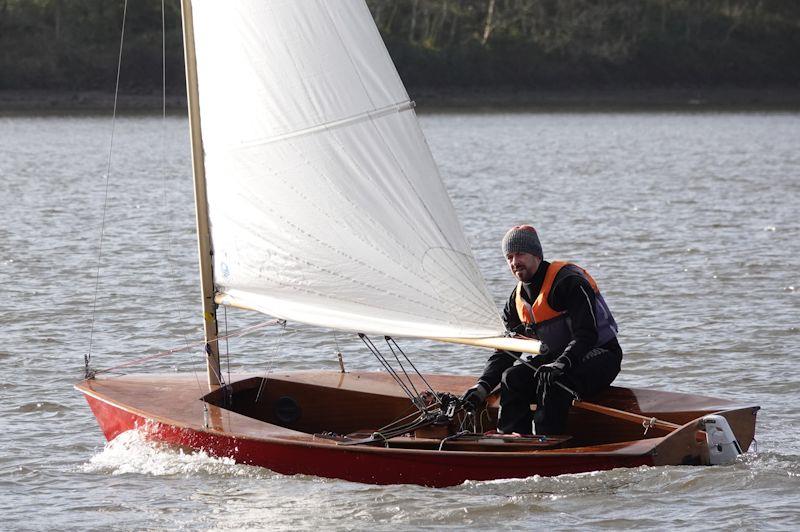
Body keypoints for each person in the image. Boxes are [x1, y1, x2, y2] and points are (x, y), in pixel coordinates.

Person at [462, 225, 623, 435]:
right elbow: (506, 350)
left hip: (601, 356)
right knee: (512, 378)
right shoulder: (516, 300)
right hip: (555, 362)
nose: (514, 262)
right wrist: (482, 386)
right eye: (509, 257)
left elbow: (586, 335)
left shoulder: (569, 283)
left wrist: (561, 364)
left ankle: (545, 443)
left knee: (552, 381)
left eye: (519, 254)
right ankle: (511, 440)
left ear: (537, 255)